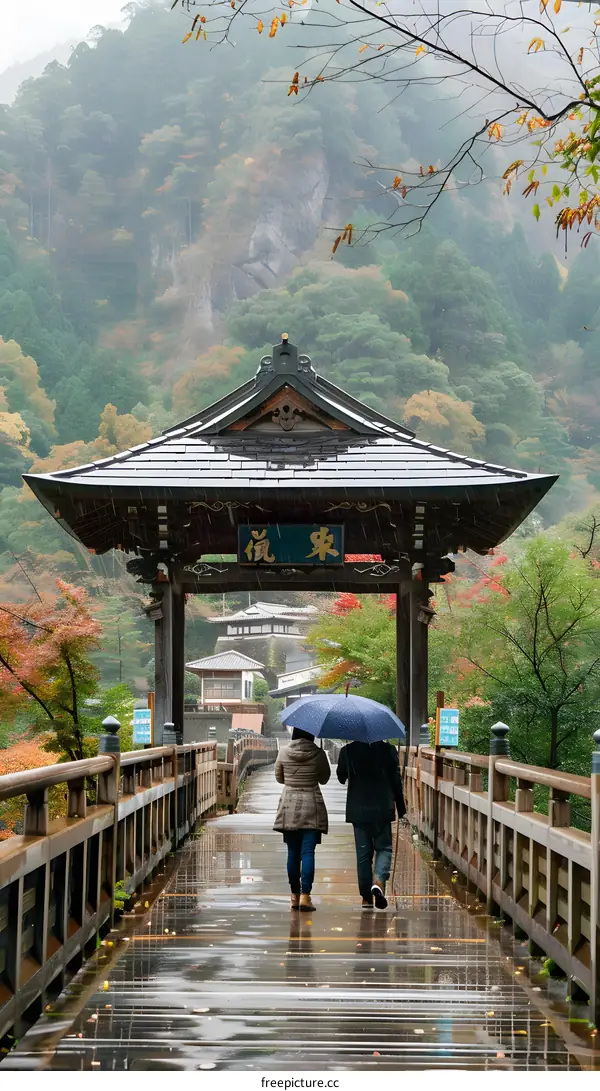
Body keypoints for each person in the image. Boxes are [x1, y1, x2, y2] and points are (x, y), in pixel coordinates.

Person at [337, 740, 406, 910]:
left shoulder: (348, 750)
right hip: (383, 808)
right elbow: (396, 781)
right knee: (384, 848)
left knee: (363, 854)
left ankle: (366, 898)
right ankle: (379, 881)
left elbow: (340, 777)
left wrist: (348, 761)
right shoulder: (388, 750)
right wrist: (401, 808)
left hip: (358, 810)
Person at [274, 728, 331, 912]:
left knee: (292, 852)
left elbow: (279, 777)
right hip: (312, 807)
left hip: (289, 807)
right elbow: (324, 779)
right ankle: (306, 896)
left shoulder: (284, 751)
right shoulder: (318, 753)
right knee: (308, 853)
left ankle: (294, 896)